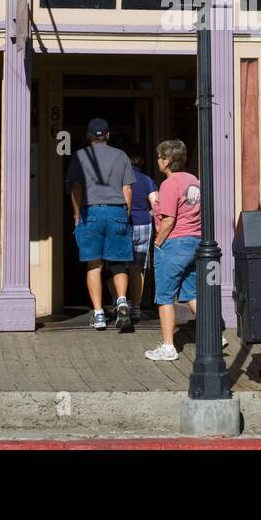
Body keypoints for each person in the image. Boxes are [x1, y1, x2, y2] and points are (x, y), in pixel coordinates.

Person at [67, 118, 134, 331]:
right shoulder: (121, 156)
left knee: (94, 265)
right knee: (118, 262)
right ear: (108, 135)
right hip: (116, 211)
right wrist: (125, 213)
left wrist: (77, 214)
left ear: (88, 136)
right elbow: (127, 189)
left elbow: (76, 189)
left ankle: (98, 314)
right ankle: (122, 300)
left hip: (91, 212)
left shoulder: (80, 156)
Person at [144, 139, 202, 362]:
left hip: (174, 243)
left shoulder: (169, 184)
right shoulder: (193, 180)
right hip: (193, 241)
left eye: (160, 157)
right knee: (191, 292)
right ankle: (213, 334)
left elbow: (169, 219)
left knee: (165, 296)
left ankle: (168, 346)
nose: (158, 161)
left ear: (167, 161)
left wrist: (157, 244)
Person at [125, 147, 157, 323]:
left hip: (125, 224)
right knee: (138, 268)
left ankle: (119, 302)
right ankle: (136, 307)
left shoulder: (120, 178)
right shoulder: (147, 180)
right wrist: (149, 213)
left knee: (118, 266)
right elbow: (156, 203)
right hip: (144, 224)